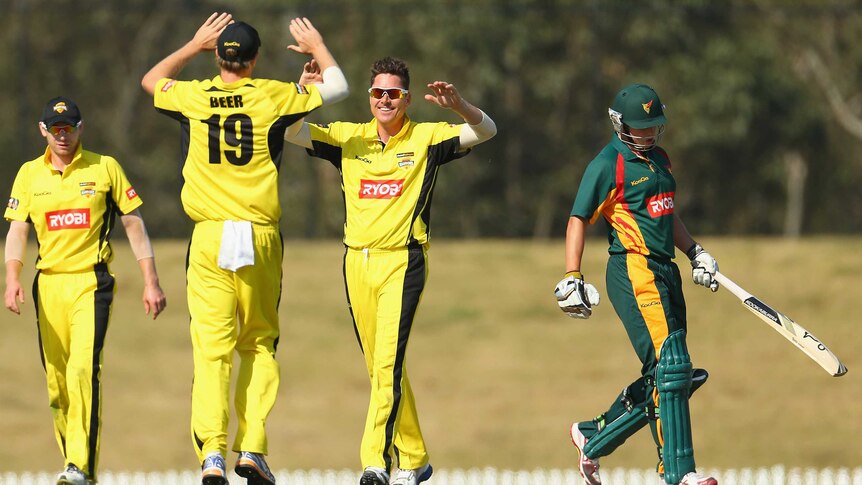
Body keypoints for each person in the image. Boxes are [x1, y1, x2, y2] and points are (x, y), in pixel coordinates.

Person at [140, 12, 348, 485]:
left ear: (219, 55)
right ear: (255, 60)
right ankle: (252, 448)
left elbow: (152, 80)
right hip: (257, 234)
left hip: (211, 235)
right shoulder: (273, 94)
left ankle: (212, 454)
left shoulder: (194, 96)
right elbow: (336, 88)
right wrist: (317, 47)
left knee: (211, 351)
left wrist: (192, 45)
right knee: (258, 343)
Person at [284, 56, 497, 485]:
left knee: (386, 366)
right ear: (369, 97)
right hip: (356, 263)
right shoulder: (349, 138)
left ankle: (375, 462)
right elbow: (290, 132)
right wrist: (303, 92)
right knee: (383, 368)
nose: (385, 100)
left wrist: (460, 107)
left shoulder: (427, 137)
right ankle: (415, 457)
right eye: (378, 93)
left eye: (393, 93)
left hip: (403, 261)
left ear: (407, 98)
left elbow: (486, 130)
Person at [554, 83, 719, 485]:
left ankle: (592, 437)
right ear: (619, 123)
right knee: (672, 367)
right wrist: (572, 275)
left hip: (667, 270)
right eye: (639, 127)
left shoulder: (660, 160)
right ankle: (679, 473)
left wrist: (695, 252)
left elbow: (667, 214)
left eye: (653, 127)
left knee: (668, 377)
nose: (647, 134)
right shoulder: (608, 164)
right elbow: (578, 218)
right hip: (633, 268)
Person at [3, 96, 166, 485]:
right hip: (48, 285)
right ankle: (74, 467)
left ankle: (80, 464)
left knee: (81, 371)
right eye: (56, 129)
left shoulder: (104, 167)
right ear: (43, 130)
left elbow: (133, 223)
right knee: (57, 384)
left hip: (91, 282)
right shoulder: (29, 174)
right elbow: (17, 229)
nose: (63, 136)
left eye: (70, 128)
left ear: (81, 127)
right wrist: (12, 278)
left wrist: (151, 280)